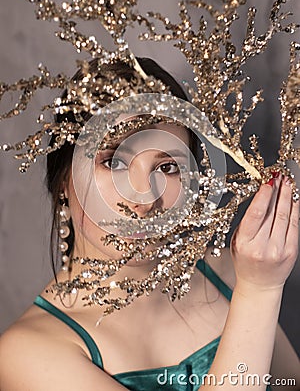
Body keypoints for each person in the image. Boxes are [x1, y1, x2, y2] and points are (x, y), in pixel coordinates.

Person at [0, 58, 299, 391]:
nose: (144, 198)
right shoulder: (28, 354)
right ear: (64, 182)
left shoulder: (229, 276)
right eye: (113, 162)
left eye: (168, 167)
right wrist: (260, 292)